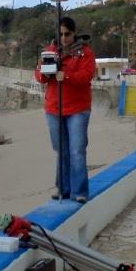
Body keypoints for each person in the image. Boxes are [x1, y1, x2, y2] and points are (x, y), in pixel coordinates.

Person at [35, 16, 95, 203]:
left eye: (67, 34)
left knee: (76, 150)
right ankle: (63, 188)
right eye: (60, 34)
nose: (63, 38)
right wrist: (45, 73)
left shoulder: (85, 53)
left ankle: (79, 192)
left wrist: (66, 75)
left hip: (77, 109)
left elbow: (86, 77)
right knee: (60, 150)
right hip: (54, 108)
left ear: (74, 33)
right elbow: (39, 75)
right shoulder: (50, 52)